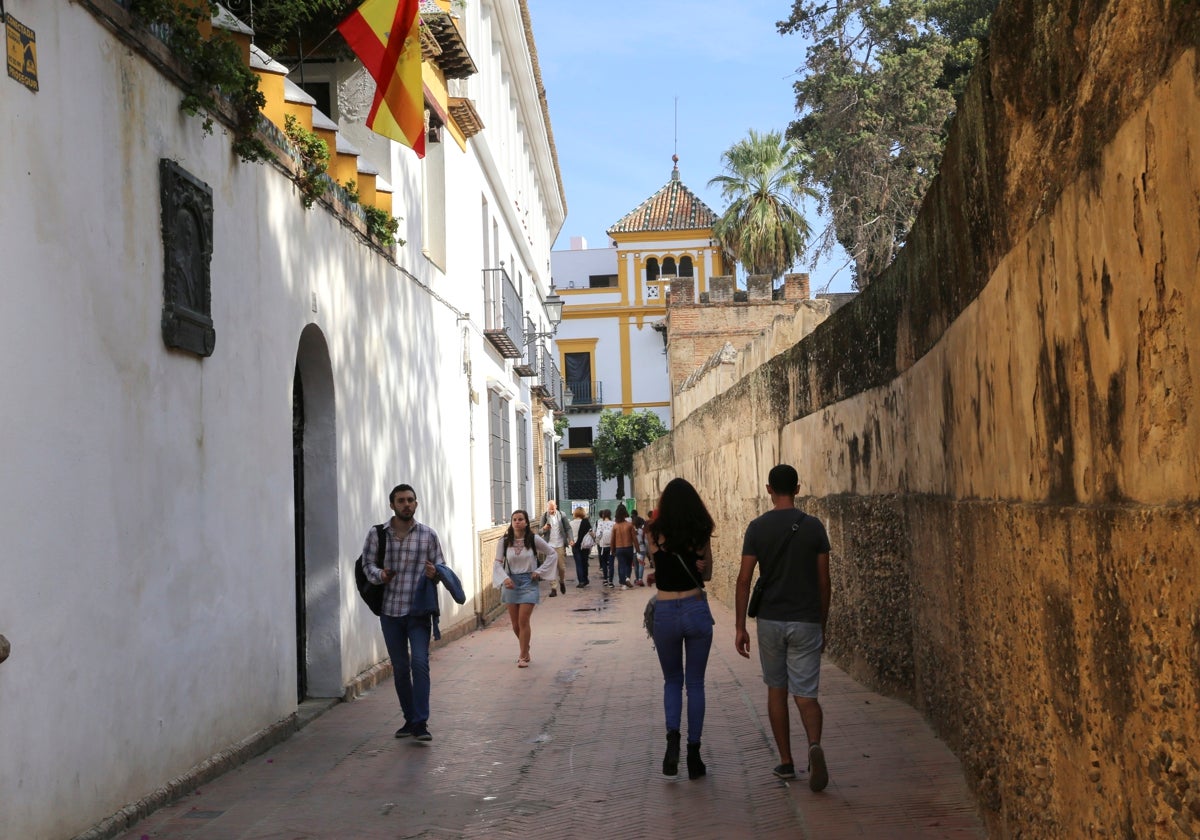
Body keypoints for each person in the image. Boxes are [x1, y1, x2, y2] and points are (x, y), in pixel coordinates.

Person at [735, 464, 832, 791]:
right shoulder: (814, 527)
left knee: (776, 689)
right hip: (806, 619)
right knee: (805, 694)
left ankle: (786, 762)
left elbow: (745, 579)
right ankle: (814, 744)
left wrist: (739, 627)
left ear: (768, 489)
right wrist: (823, 620)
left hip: (771, 621)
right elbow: (824, 581)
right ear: (798, 488)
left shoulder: (757, 528)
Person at [361, 484, 445, 742]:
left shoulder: (428, 535)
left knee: (420, 663)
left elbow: (441, 565)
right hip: (390, 611)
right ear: (392, 505)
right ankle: (409, 718)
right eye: (401, 500)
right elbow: (367, 565)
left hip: (419, 612)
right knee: (400, 667)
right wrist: (380, 575)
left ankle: (421, 722)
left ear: (416, 504)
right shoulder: (378, 534)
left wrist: (436, 573)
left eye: (410, 500)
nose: (406, 504)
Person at [645, 478, 715, 780]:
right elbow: (708, 573)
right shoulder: (700, 532)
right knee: (695, 684)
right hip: (695, 607)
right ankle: (694, 754)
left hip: (665, 612)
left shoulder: (654, 533)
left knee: (672, 681)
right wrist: (698, 565)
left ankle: (672, 741)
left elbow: (657, 566)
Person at [494, 510, 557, 667]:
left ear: (526, 522)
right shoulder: (504, 541)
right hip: (511, 582)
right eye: (514, 519)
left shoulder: (534, 539)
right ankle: (526, 648)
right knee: (515, 624)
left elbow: (552, 554)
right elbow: (497, 563)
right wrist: (504, 578)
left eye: (520, 519)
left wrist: (539, 571)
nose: (517, 522)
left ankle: (522, 656)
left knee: (523, 621)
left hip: (529, 581)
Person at [539, 499, 572, 597]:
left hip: (560, 544)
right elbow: (539, 532)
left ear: (556, 507)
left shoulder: (562, 515)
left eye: (553, 510)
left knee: (561, 567)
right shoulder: (544, 516)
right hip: (549, 545)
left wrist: (571, 539)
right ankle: (553, 588)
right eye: (550, 510)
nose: (551, 512)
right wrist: (544, 529)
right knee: (551, 567)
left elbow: (568, 528)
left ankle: (561, 581)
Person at [611, 504, 637, 589]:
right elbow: (634, 538)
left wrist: (612, 550)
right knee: (628, 565)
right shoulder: (629, 525)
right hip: (628, 547)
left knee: (621, 565)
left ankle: (623, 583)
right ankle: (627, 578)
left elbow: (612, 540)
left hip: (619, 548)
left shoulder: (615, 526)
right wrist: (638, 549)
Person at [570, 506, 593, 588]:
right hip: (584, 545)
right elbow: (590, 533)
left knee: (578, 563)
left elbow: (569, 534)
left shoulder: (571, 523)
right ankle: (585, 579)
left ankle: (581, 581)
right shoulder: (586, 522)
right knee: (584, 562)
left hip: (575, 545)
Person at [594, 509, 614, 587]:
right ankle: (611, 581)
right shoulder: (613, 523)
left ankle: (605, 579)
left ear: (603, 515)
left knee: (604, 564)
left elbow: (598, 535)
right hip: (611, 546)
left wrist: (597, 542)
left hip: (602, 546)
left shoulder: (600, 523)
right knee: (611, 564)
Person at [632, 514, 647, 585]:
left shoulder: (632, 531)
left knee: (636, 565)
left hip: (634, 550)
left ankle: (637, 579)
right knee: (641, 564)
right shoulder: (642, 531)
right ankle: (640, 579)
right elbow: (645, 541)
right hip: (642, 549)